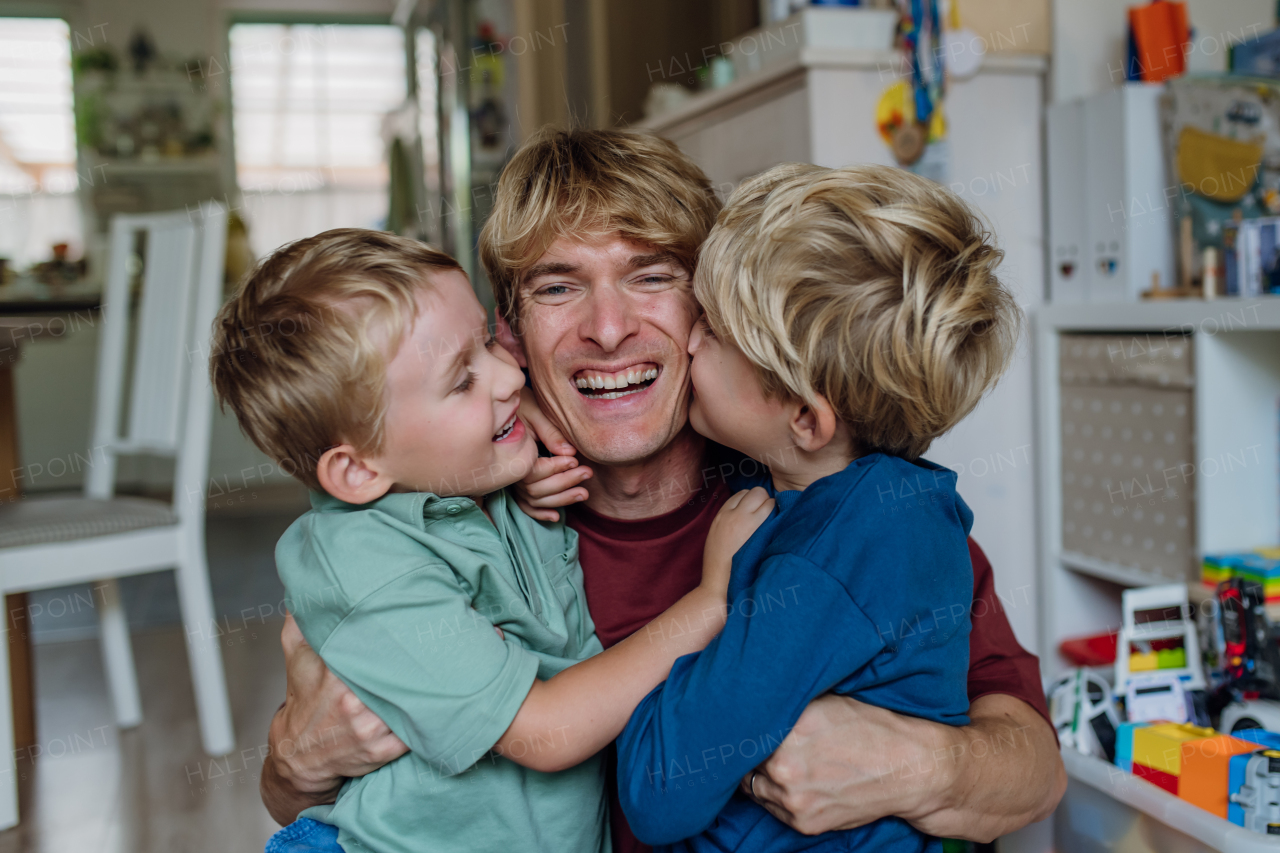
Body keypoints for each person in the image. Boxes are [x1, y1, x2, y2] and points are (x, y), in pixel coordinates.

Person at [260, 129, 1066, 852]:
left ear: (712, 301)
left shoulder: (831, 502)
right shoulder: (450, 523)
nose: (608, 329)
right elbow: (307, 797)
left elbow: (1035, 772)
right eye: (557, 287)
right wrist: (297, 761)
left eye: (652, 275)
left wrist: (919, 765)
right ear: (507, 332)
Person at [211, 229, 776, 853]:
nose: (508, 376)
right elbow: (545, 733)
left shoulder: (469, 481)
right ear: (359, 471)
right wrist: (711, 599)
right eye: (461, 380)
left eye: (486, 342)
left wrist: (514, 441)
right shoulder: (370, 563)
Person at [616, 162, 1020, 853]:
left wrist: (716, 595)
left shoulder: (822, 562)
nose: (687, 340)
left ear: (806, 419)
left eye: (712, 332)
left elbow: (659, 788)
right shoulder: (901, 506)